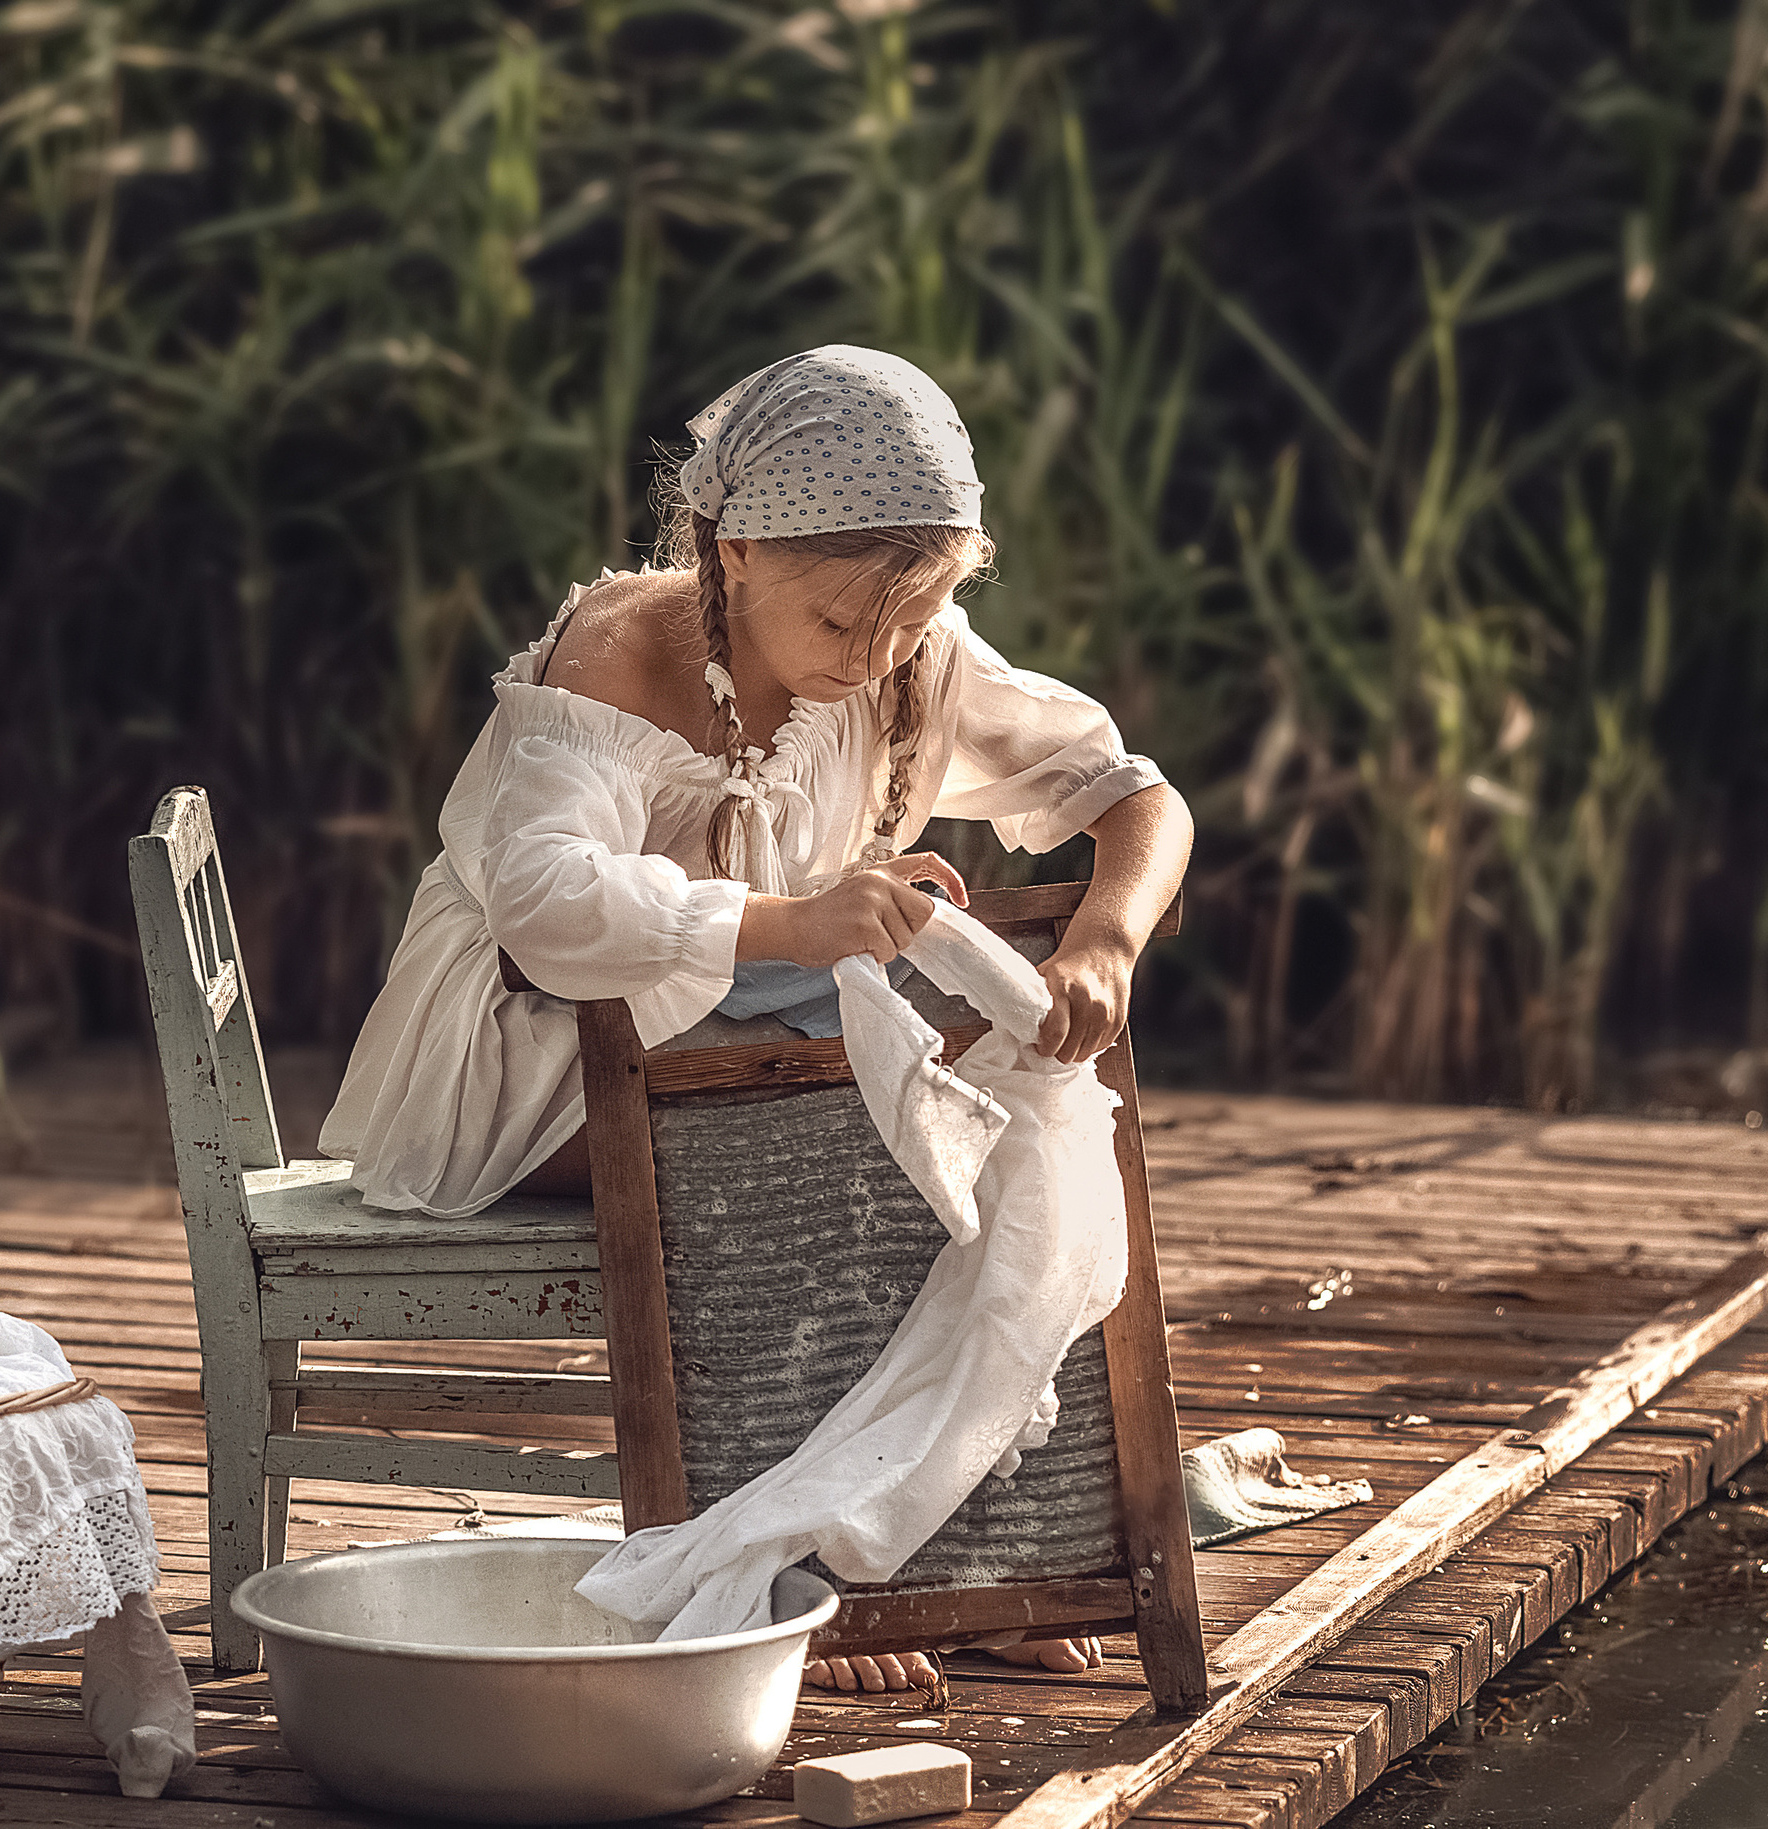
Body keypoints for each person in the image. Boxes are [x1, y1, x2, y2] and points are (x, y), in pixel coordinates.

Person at [318, 345, 1193, 1692]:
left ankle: (964, 1549)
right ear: (734, 555)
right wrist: (796, 924)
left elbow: (1135, 793)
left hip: (731, 1043)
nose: (879, 658)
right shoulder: (614, 652)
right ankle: (791, 1576)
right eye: (846, 625)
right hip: (532, 1060)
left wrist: (1107, 939)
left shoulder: (906, 655)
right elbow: (548, 909)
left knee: (989, 1135)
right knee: (867, 1147)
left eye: (912, 621)